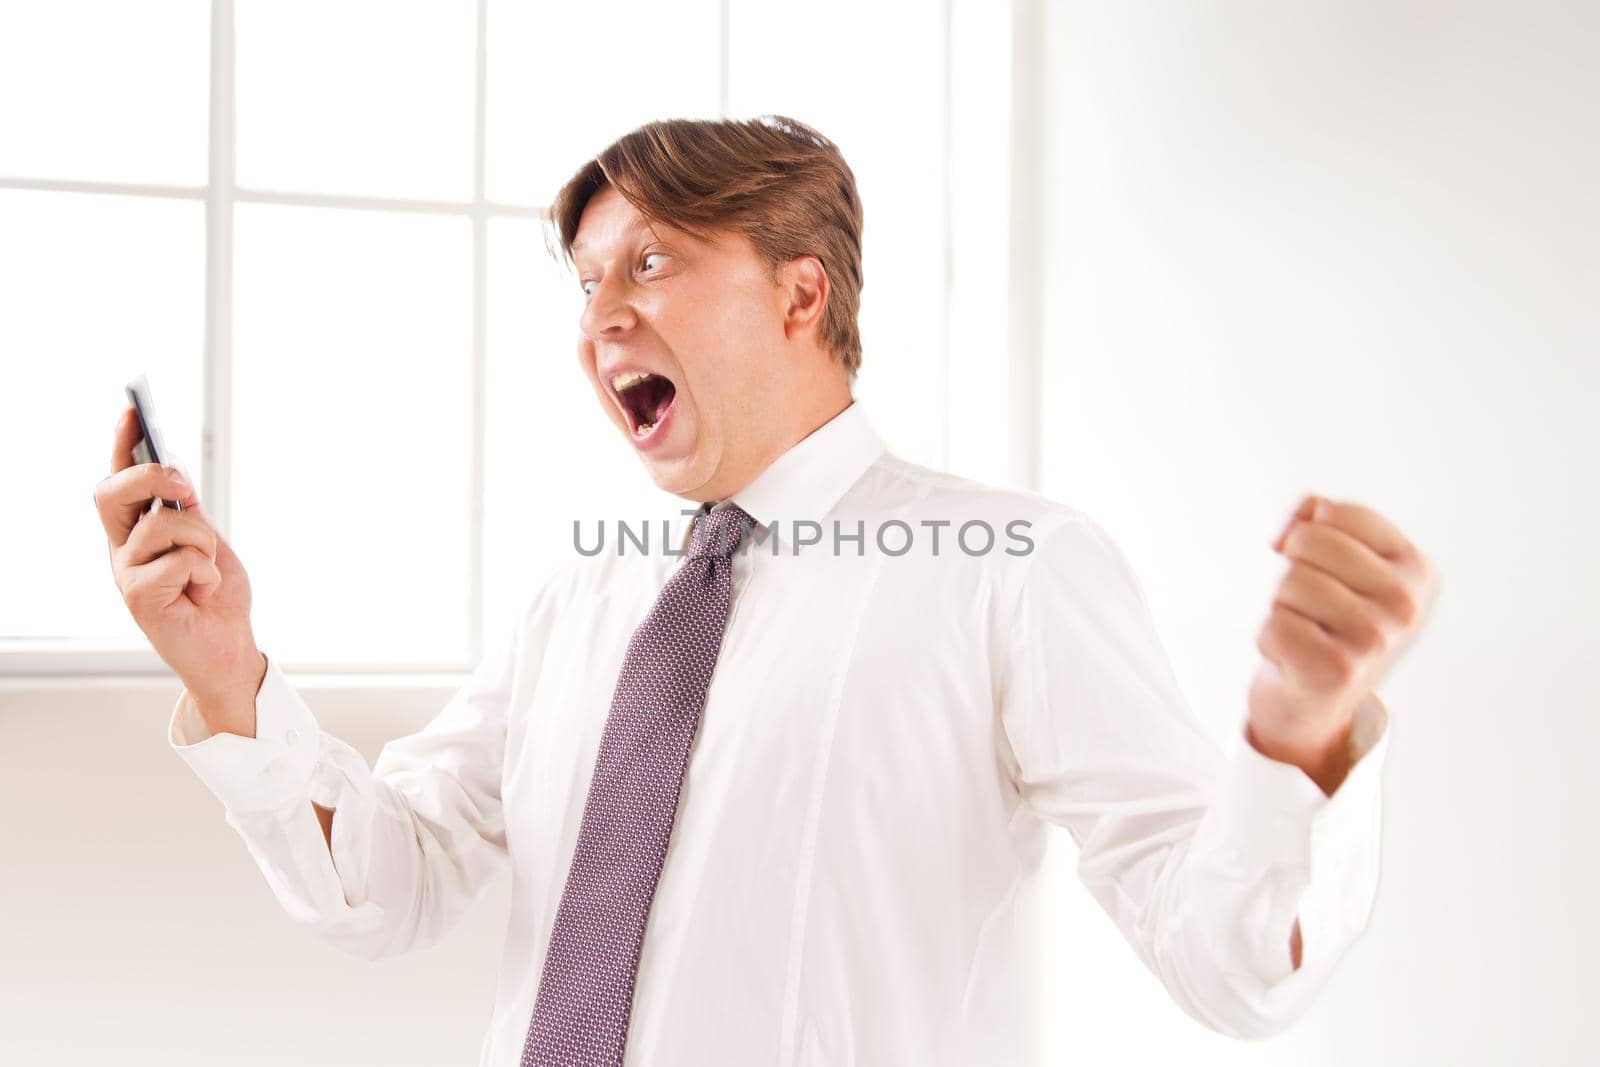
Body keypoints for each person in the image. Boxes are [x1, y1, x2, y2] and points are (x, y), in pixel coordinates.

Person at [93, 115, 1437, 1067]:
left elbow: (1231, 968)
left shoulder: (1014, 571)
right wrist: (227, 678)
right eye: (586, 284)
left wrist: (1298, 736)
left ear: (804, 296)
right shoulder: (587, 590)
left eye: (652, 263)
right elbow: (392, 890)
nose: (600, 317)